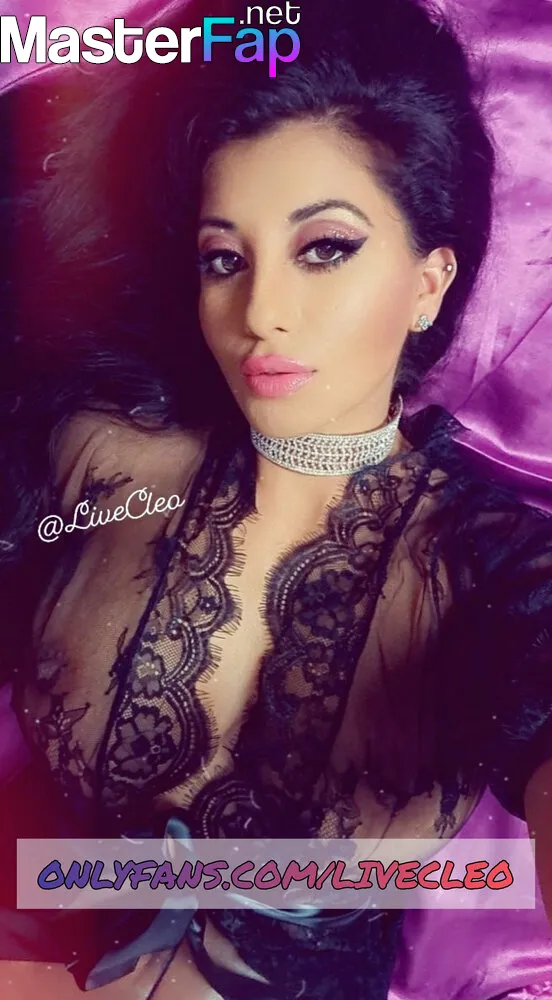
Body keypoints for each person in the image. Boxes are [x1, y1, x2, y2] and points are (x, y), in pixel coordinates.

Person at [0, 0, 551, 997]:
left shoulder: (495, 562)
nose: (258, 312)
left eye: (324, 248)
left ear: (430, 280)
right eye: (225, 258)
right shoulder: (94, 454)